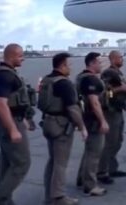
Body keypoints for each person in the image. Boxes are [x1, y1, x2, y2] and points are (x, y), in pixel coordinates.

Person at [38, 52, 88, 205]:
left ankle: (49, 195)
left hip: (48, 122)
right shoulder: (64, 83)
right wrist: (82, 127)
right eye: (69, 65)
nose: (70, 68)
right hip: (61, 124)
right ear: (62, 66)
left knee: (52, 161)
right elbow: (73, 108)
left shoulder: (47, 80)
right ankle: (59, 197)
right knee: (60, 163)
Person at [0, 44, 31, 205]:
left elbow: (11, 103)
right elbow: (0, 104)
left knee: (7, 162)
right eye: (20, 56)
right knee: (21, 163)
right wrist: (13, 129)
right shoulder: (6, 76)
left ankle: (5, 200)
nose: (22, 58)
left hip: (13, 120)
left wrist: (22, 118)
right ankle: (1, 197)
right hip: (9, 124)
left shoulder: (7, 74)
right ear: (11, 56)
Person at [76, 52, 109, 196]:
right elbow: (94, 102)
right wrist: (102, 121)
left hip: (85, 117)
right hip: (93, 119)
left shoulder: (80, 77)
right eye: (99, 62)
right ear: (92, 63)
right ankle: (90, 186)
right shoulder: (91, 80)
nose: (101, 65)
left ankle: (81, 179)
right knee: (94, 153)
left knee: (89, 150)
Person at [98, 50, 126, 184]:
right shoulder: (108, 73)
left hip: (118, 110)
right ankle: (102, 172)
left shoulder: (118, 73)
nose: (122, 59)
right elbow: (106, 93)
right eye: (120, 57)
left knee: (118, 141)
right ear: (112, 59)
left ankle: (111, 168)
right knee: (109, 142)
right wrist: (120, 90)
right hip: (110, 111)